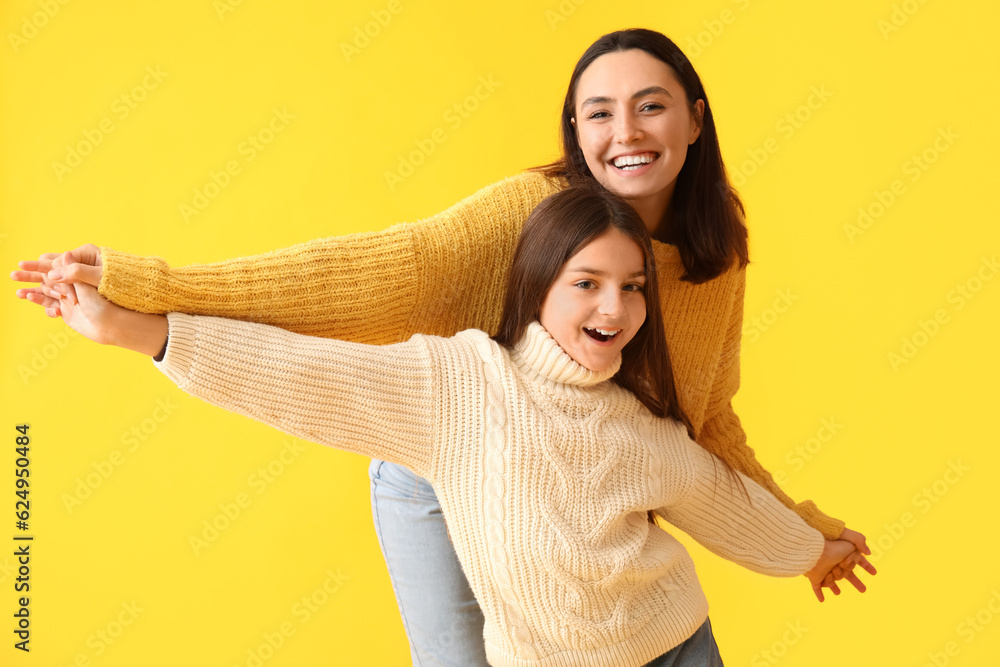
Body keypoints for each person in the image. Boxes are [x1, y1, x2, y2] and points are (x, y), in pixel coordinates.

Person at [13, 28, 874, 666]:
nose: (628, 132)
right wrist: (156, 293)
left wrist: (803, 532)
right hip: (448, 443)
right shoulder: (522, 220)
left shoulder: (715, 257)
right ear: (575, 132)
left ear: (694, 118)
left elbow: (705, 424)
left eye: (651, 105)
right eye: (599, 113)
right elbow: (367, 278)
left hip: (602, 464)